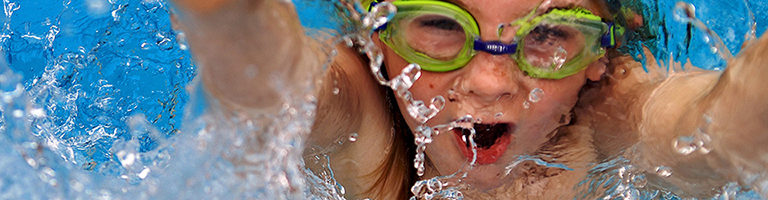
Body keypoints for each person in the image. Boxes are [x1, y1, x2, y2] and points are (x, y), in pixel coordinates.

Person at [170, 0, 768, 199]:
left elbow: (717, 132)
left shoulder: (613, 114)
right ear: (377, 29)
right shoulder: (359, 105)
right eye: (439, 26)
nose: (488, 82)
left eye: (550, 34)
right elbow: (261, 76)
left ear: (600, 55)